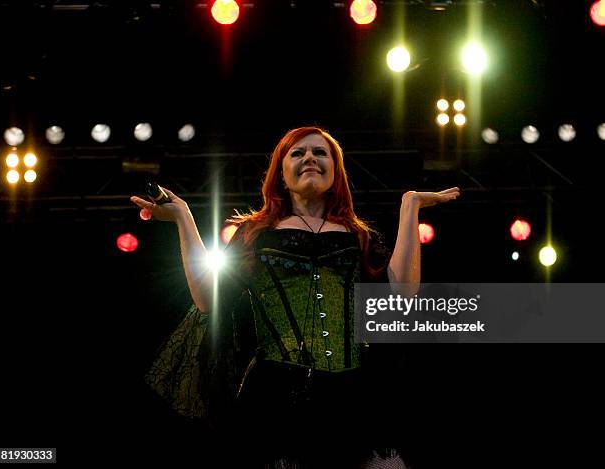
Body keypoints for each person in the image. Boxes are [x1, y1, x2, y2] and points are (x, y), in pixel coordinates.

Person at [130, 127, 460, 468]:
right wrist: (184, 218)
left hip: (353, 396)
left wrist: (411, 205)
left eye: (320, 153)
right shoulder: (255, 233)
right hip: (276, 397)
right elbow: (209, 300)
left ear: (335, 170)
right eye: (297, 153)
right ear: (281, 174)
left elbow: (403, 293)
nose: (310, 159)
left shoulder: (358, 235)